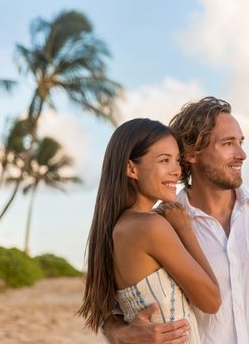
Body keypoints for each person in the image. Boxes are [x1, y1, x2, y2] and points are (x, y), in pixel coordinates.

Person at [104, 97, 249, 343]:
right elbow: (116, 308)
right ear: (193, 153)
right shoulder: (163, 224)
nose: (242, 154)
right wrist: (120, 333)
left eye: (240, 142)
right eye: (228, 143)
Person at [79, 118, 221, 344]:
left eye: (176, 160)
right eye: (164, 160)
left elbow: (109, 312)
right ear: (131, 168)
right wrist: (184, 229)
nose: (176, 171)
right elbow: (211, 301)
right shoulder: (151, 227)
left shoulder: (116, 228)